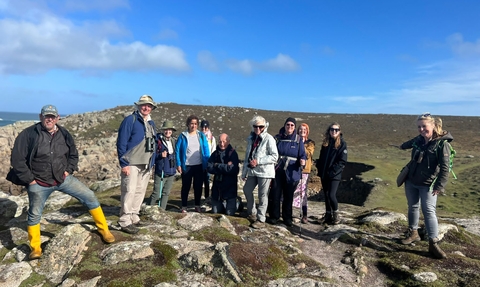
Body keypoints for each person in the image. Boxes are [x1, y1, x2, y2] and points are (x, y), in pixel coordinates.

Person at [9, 104, 115, 260]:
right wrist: (30, 180)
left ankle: (104, 230)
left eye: (52, 116)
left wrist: (69, 170)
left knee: (90, 196)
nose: (49, 119)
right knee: (34, 214)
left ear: (58, 118)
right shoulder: (28, 134)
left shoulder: (64, 133)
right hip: (38, 182)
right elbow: (17, 160)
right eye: (46, 116)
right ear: (41, 117)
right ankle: (36, 248)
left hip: (62, 178)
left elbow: (73, 154)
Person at [397, 113, 453, 259]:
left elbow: (445, 168)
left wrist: (439, 186)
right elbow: (410, 143)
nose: (421, 129)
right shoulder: (419, 140)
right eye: (419, 127)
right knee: (413, 207)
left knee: (429, 211)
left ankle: (433, 243)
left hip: (428, 184)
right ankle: (413, 233)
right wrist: (402, 146)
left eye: (424, 126)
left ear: (433, 126)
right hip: (411, 181)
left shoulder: (442, 144)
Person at [116, 95, 157, 234]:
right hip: (131, 162)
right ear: (138, 106)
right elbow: (121, 142)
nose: (146, 108)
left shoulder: (151, 124)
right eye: (143, 105)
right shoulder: (130, 120)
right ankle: (125, 220)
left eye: (149, 106)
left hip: (146, 164)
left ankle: (134, 216)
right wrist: (124, 163)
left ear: (152, 108)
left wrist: (153, 162)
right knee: (129, 190)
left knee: (140, 191)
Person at [241, 115, 278, 229]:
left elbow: (275, 156)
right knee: (247, 190)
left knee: (263, 196)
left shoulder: (269, 139)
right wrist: (244, 172)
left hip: (265, 172)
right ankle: (252, 212)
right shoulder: (251, 138)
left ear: (264, 126)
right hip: (253, 171)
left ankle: (261, 219)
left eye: (260, 126)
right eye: (255, 126)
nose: (257, 129)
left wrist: (259, 161)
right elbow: (248, 155)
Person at [269, 117, 306, 227]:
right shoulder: (277, 138)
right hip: (278, 170)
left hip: (292, 172)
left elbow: (302, 154)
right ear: (284, 125)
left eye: (292, 125)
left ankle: (287, 218)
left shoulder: (298, 140)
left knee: (288, 196)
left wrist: (303, 161)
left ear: (294, 127)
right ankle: (274, 216)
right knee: (275, 193)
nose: (289, 127)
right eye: (288, 125)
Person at [176, 115, 210, 213]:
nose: (193, 126)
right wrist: (178, 164)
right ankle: (184, 206)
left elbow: (206, 149)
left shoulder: (201, 136)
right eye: (192, 123)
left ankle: (197, 205)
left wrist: (206, 163)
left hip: (199, 165)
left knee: (198, 186)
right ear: (188, 124)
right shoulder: (183, 136)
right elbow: (177, 150)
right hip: (186, 165)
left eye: (195, 124)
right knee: (185, 186)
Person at [316, 122, 347, 225]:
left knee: (331, 194)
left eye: (336, 130)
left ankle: (336, 215)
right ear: (329, 131)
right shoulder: (326, 143)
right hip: (324, 174)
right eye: (332, 129)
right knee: (326, 194)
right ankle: (328, 215)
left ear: (339, 131)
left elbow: (342, 161)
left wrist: (333, 171)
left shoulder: (342, 144)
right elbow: (321, 158)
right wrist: (319, 168)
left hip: (334, 175)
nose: (334, 131)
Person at [207, 133, 240, 215]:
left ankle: (238, 204)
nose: (222, 144)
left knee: (229, 213)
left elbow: (233, 169)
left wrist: (217, 165)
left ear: (228, 141)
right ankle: (223, 205)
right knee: (215, 212)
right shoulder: (215, 154)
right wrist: (225, 167)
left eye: (224, 141)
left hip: (230, 187)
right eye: (220, 142)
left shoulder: (233, 154)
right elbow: (209, 167)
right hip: (217, 188)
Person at [149, 120, 177, 209]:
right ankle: (149, 210)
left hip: (171, 172)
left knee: (166, 193)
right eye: (166, 129)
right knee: (157, 193)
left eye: (170, 130)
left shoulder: (174, 141)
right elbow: (152, 155)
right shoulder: (158, 141)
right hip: (161, 171)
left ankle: (162, 211)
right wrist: (160, 155)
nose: (168, 132)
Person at [293, 123, 315, 224]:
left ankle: (304, 215)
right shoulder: (294, 140)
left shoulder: (310, 143)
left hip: (305, 170)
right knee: (293, 190)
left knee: (302, 192)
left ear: (307, 131)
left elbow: (308, 153)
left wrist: (301, 144)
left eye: (304, 129)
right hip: (294, 168)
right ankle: (294, 213)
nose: (302, 131)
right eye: (300, 129)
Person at [201, 120, 216, 205]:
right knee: (198, 181)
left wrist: (212, 162)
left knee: (207, 181)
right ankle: (198, 198)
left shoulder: (211, 138)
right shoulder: (198, 136)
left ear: (208, 128)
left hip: (208, 162)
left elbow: (213, 150)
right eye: (202, 127)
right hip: (199, 162)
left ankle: (207, 198)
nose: (204, 129)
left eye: (205, 127)